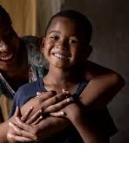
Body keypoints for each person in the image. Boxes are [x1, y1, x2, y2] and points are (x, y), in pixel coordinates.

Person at [0, 0, 124, 143]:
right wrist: (30, 110)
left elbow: (112, 79)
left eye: (9, 34)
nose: (5, 47)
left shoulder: (40, 50)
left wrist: (65, 117)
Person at [8, 9, 117, 142]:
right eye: (55, 37)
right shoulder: (24, 93)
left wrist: (76, 115)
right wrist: (13, 138)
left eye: (73, 41)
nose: (62, 44)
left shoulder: (92, 94)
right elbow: (15, 137)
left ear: (86, 52)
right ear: (42, 45)